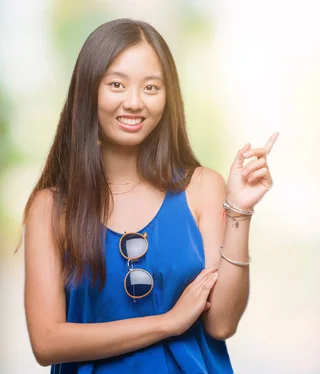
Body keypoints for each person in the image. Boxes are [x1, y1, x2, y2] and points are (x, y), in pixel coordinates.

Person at [22, 18, 278, 373]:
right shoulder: (50, 208)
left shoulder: (203, 187)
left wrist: (240, 210)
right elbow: (47, 342)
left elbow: (221, 324)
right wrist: (168, 323)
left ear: (168, 97)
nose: (134, 102)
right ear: (88, 91)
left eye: (151, 88)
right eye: (116, 84)